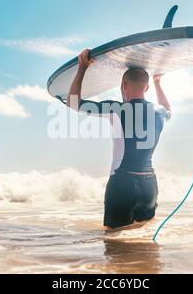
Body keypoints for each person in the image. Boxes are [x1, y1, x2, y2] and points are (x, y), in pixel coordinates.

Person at [67, 49, 171, 232]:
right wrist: (158, 82)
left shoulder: (116, 109)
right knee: (144, 238)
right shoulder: (160, 112)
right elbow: (167, 108)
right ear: (145, 88)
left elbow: (74, 103)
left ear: (123, 85)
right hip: (149, 184)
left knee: (114, 242)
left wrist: (82, 68)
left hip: (123, 183)